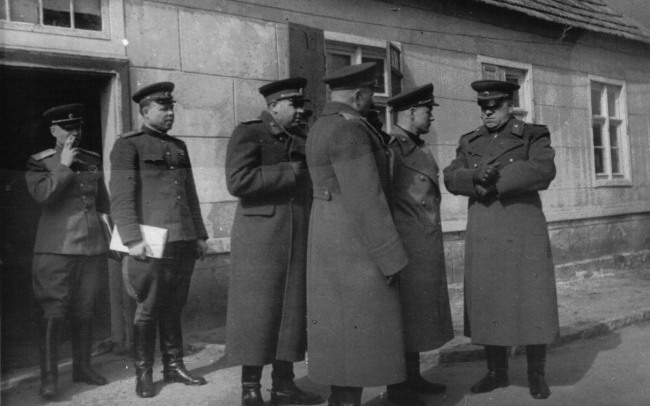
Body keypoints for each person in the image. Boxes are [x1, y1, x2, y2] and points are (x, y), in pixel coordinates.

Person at [306, 62, 415, 406]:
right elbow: (367, 197)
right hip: (356, 243)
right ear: (357, 95)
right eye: (369, 95)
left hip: (328, 237)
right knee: (359, 331)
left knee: (340, 330)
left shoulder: (320, 126)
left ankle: (342, 399)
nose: (372, 101)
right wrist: (391, 256)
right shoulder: (350, 130)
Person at [443, 80, 559, 400]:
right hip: (486, 230)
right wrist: (473, 177)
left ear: (510, 105)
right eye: (483, 107)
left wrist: (496, 184)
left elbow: (543, 169)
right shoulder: (470, 140)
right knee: (490, 301)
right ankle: (496, 372)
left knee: (532, 301)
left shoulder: (532, 135)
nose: (488, 113)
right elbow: (451, 175)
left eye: (494, 107)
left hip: (523, 231)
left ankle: (536, 375)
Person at [225, 78, 322, 406]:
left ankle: (284, 386)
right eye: (294, 105)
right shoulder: (250, 133)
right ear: (274, 106)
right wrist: (288, 172)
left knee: (292, 314)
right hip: (260, 241)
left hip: (297, 237)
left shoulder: (301, 137)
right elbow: (237, 181)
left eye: (301, 105)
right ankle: (250, 389)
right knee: (257, 315)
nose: (300, 111)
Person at [110, 82, 210, 398]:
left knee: (174, 307)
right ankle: (144, 373)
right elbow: (121, 197)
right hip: (150, 242)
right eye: (163, 108)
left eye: (171, 108)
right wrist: (132, 239)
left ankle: (174, 366)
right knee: (148, 309)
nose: (170, 113)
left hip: (182, 240)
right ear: (145, 111)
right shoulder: (129, 146)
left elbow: (190, 193)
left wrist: (199, 235)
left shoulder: (179, 146)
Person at [26, 104, 109, 399]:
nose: (75, 132)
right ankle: (49, 378)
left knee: (85, 308)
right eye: (67, 128)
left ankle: (82, 368)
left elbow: (102, 203)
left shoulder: (92, 159)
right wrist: (63, 165)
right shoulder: (40, 162)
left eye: (78, 127)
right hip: (56, 249)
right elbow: (43, 196)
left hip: (90, 246)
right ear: (54, 131)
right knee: (54, 312)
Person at [386, 84, 454, 399]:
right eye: (428, 111)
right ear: (412, 112)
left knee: (415, 316)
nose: (431, 117)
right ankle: (398, 386)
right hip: (405, 243)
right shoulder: (392, 148)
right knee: (403, 316)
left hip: (422, 242)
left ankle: (413, 378)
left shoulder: (419, 147)